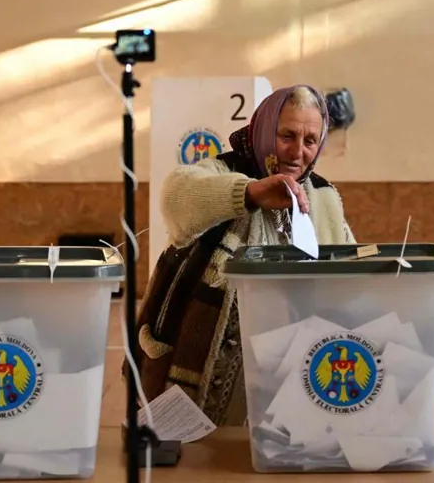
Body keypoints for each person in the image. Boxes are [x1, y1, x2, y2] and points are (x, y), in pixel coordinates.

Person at [128, 84, 356, 426]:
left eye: (310, 141)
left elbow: (351, 271)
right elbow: (176, 197)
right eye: (287, 136)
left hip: (291, 377)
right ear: (264, 130)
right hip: (203, 374)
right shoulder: (221, 171)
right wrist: (249, 192)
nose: (297, 152)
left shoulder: (322, 197)